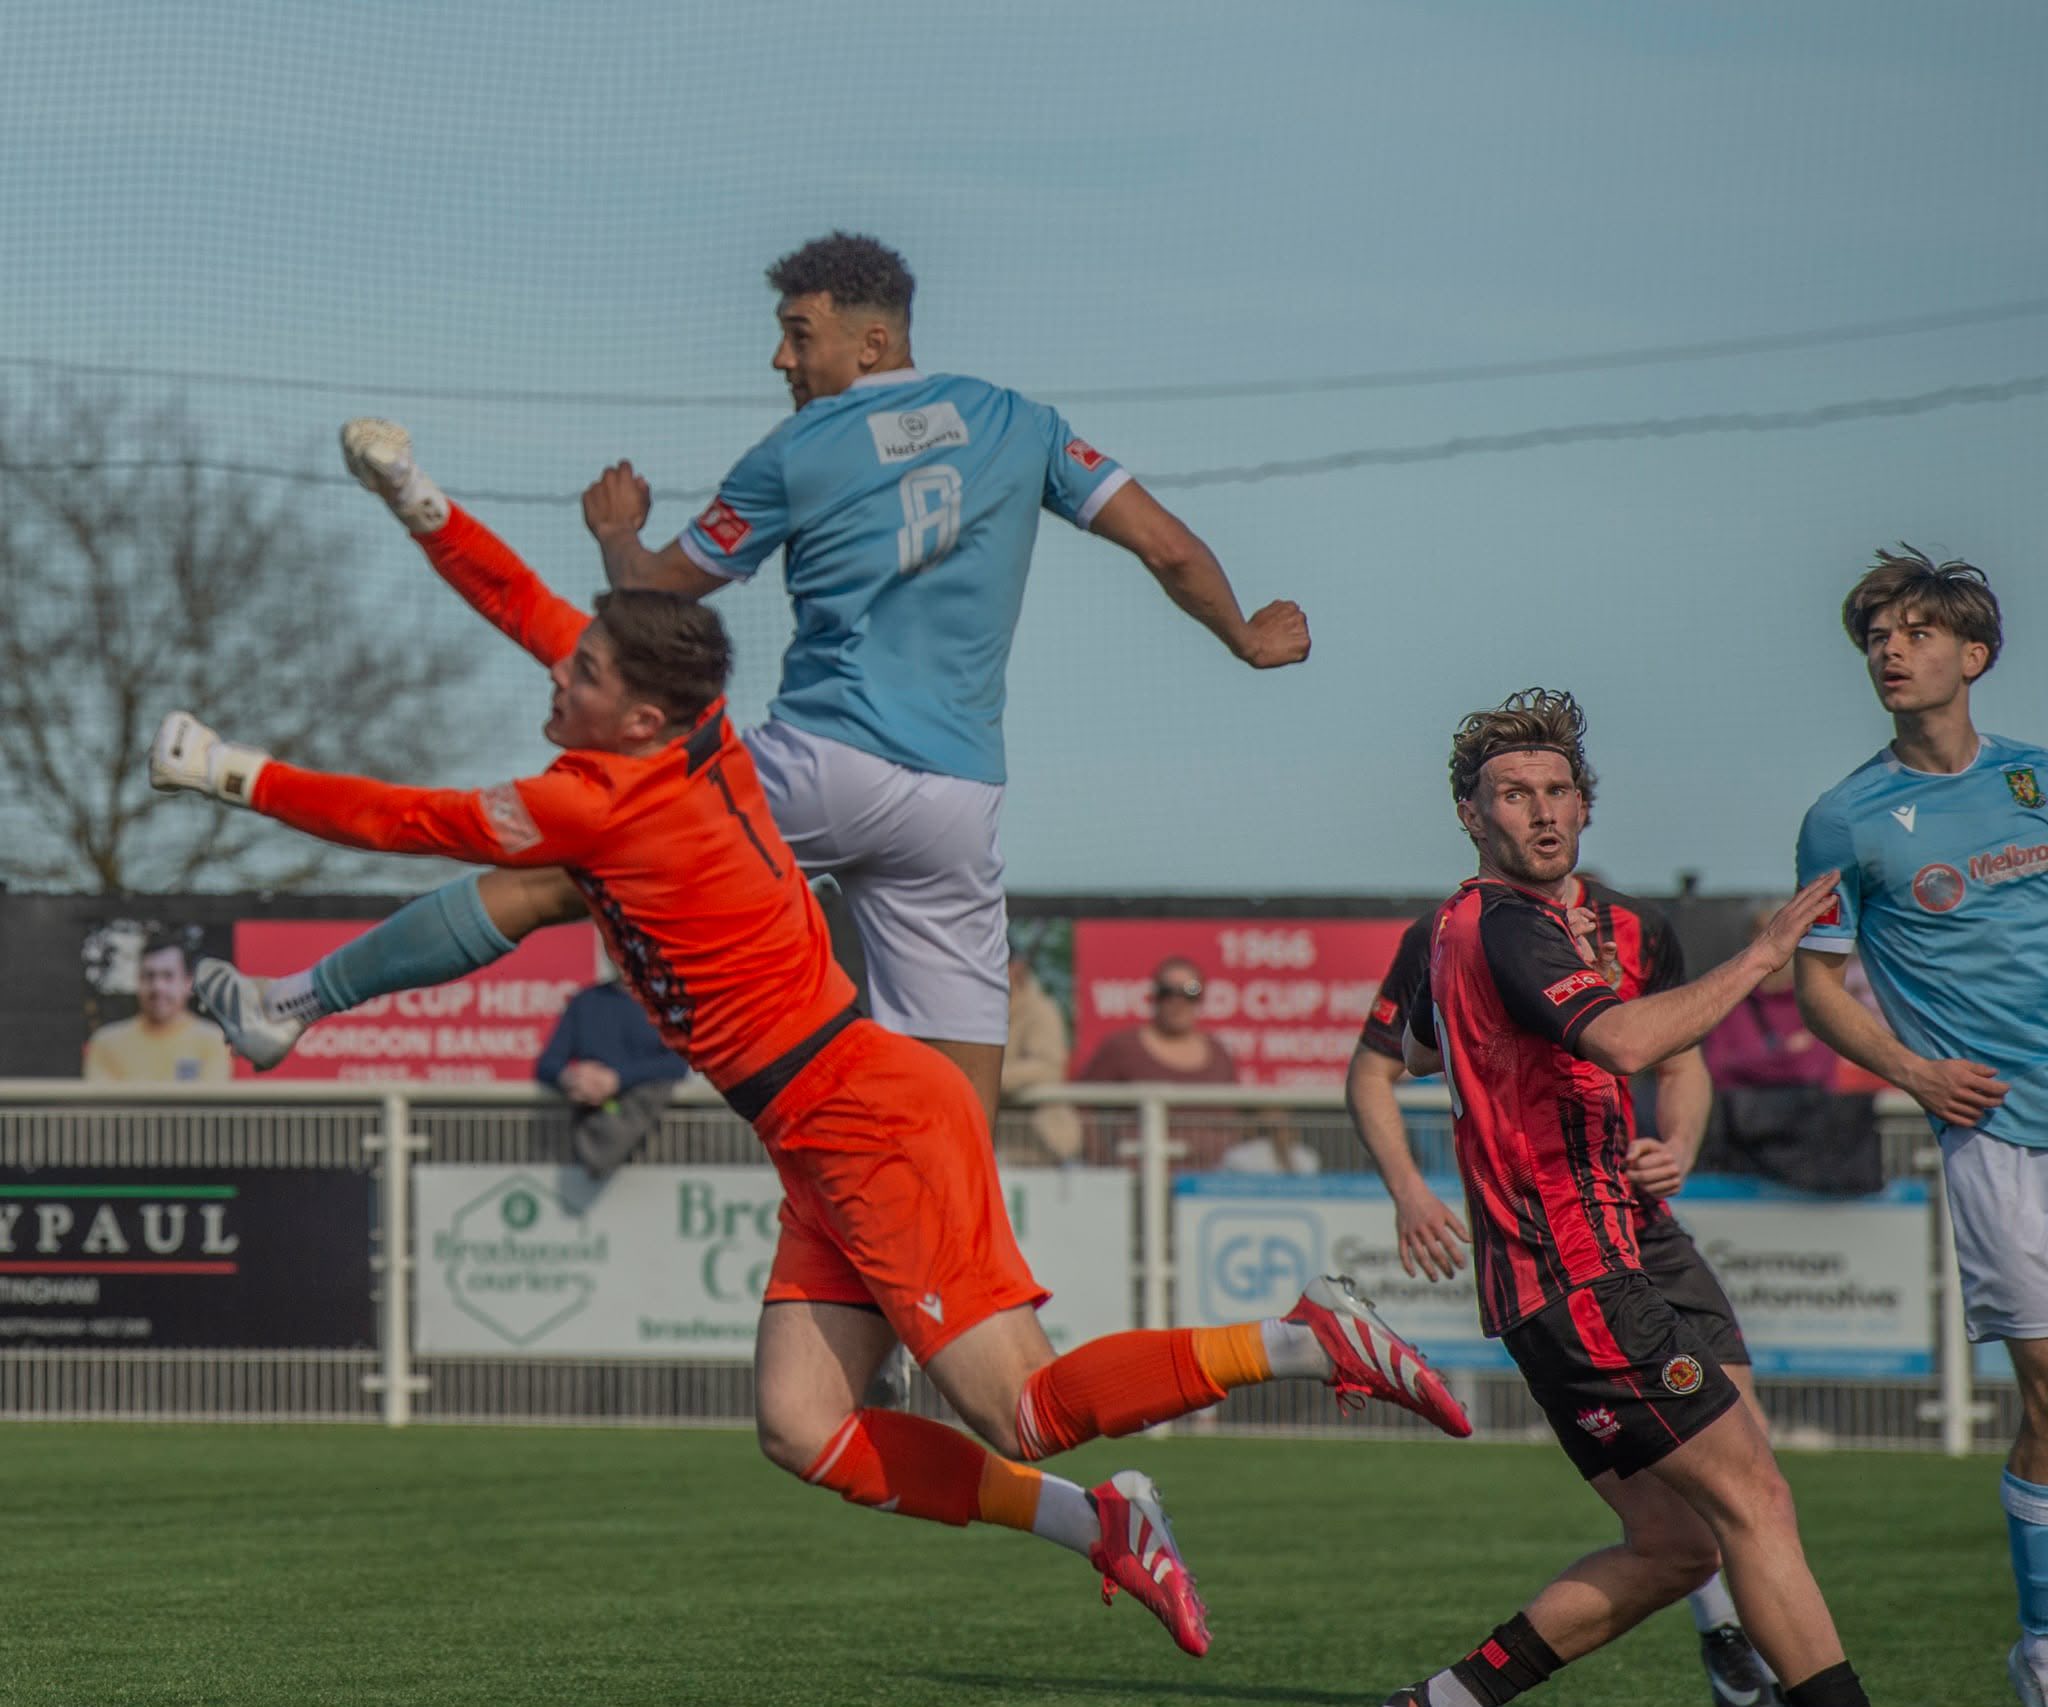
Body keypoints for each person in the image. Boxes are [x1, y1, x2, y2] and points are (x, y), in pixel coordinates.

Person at [150, 464, 1466, 1660]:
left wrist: (227, 771)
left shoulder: (595, 805)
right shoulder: (687, 733)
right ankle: (1102, 1524)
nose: (560, 679)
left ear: (638, 713)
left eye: (584, 676)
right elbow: (529, 609)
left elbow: (402, 818)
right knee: (801, 1425)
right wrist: (424, 507)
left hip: (865, 1119)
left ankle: (1302, 1339)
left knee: (1027, 1408)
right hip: (821, 1124)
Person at [211, 233, 1309, 1132]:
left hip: (819, 764)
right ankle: (949, 1288)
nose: (781, 359)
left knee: (564, 870)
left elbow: (654, 601)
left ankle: (296, 1000)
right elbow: (1166, 548)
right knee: (956, 1105)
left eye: (799, 333)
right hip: (959, 799)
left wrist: (617, 534)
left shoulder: (799, 451)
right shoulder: (1021, 423)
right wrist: (1243, 636)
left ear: (871, 340)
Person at [1385, 688, 1865, 1707]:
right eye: (1513, 793)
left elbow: (1428, 1048)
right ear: (1471, 815)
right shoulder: (1506, 924)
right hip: (1579, 1271)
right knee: (1755, 1499)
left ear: (1584, 804)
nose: (1541, 810)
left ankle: (1441, 1702)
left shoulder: (1486, 926)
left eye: (1557, 789)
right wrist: (1764, 953)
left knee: (1677, 1546)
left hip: (1582, 1269)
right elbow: (1628, 1041)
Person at [1350, 887, 1785, 1706]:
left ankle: (1744, 1644)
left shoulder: (1639, 926)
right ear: (1477, 821)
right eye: (1521, 809)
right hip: (1564, 1243)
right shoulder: (1451, 933)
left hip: (1644, 1224)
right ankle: (1735, 1640)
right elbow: (1380, 1067)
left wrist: (1677, 1144)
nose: (1545, 823)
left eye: (1560, 809)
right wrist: (1408, 1189)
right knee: (1716, 1502)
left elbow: (1680, 1060)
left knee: (1746, 1460)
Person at [1790, 547, 2048, 1707]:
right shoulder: (1841, 819)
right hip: (1990, 1130)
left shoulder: (2035, 779)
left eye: (1913, 633)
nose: (1889, 653)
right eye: (1875, 639)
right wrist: (1910, 1072)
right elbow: (1814, 985)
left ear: (1972, 654)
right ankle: (2039, 1648)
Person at [1700, 906, 1881, 1196]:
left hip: (1813, 1164)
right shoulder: (1728, 1003)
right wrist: (1786, 1054)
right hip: (1741, 1163)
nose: (1776, 943)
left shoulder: (1818, 1002)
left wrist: (1751, 1063)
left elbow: (1812, 1068)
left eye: (1787, 933)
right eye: (1763, 933)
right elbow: (1716, 1068)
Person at [1076, 957, 1240, 1168]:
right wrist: (1103, 1158)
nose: (1177, 1001)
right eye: (1167, 991)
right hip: (1138, 1175)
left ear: (1201, 997)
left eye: (1190, 991)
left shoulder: (1219, 1054)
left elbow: (1234, 1120)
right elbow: (1083, 1105)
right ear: (1154, 996)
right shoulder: (1123, 1047)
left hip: (1206, 1180)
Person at [535, 970, 693, 1179]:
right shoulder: (586, 1001)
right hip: (591, 1136)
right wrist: (573, 1078)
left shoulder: (669, 1003)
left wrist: (616, 1079)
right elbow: (548, 1065)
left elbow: (678, 1063)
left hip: (657, 1145)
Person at [82, 931, 231, 1084]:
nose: (158, 987)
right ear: (138, 981)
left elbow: (209, 1099)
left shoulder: (212, 1041)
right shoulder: (105, 1043)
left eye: (168, 976)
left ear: (188, 984)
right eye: (149, 976)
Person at [999, 949, 1083, 1165]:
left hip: (1044, 1150)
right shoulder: (974, 1012)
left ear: (1017, 967)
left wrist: (986, 1077)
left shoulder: (1041, 1010)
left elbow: (1049, 1069)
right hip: (997, 1147)